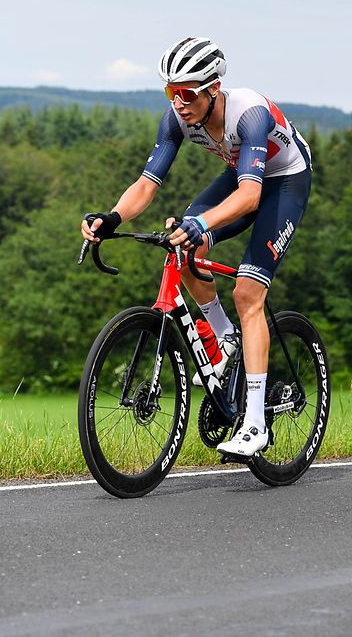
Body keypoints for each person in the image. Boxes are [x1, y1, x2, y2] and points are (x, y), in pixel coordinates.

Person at [80, 37, 313, 456]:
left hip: (284, 182)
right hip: (242, 176)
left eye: (187, 92)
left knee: (247, 292)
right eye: (171, 92)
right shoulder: (177, 119)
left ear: (213, 89)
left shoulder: (250, 114)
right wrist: (112, 217)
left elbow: (250, 198)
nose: (179, 102)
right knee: (179, 244)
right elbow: (146, 185)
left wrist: (201, 221)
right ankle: (225, 337)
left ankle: (256, 424)